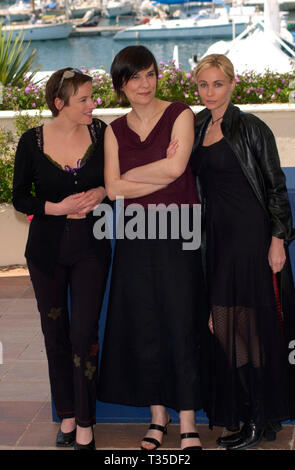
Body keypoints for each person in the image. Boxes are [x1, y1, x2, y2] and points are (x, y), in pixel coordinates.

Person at [98, 45, 205, 451]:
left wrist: (131, 175)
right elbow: (112, 189)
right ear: (121, 85)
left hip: (180, 233)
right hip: (135, 237)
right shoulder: (113, 130)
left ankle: (189, 420)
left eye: (149, 74)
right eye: (134, 77)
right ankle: (158, 419)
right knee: (146, 327)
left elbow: (177, 169)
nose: (144, 84)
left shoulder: (180, 113)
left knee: (181, 322)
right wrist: (153, 172)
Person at [190, 53, 295, 450]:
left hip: (250, 240)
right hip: (214, 242)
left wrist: (278, 239)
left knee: (248, 332)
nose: (210, 91)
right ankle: (257, 417)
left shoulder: (252, 127)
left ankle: (256, 419)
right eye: (203, 84)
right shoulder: (197, 125)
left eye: (217, 83)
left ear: (233, 84)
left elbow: (274, 186)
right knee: (223, 329)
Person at [13, 68, 111, 450]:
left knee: (84, 335)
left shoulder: (102, 133)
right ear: (60, 103)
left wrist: (102, 190)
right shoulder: (31, 141)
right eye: (84, 99)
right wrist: (55, 207)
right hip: (45, 254)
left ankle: (86, 422)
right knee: (55, 336)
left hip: (91, 250)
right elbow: (21, 197)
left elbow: (115, 178)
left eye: (92, 97)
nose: (93, 104)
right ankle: (67, 416)